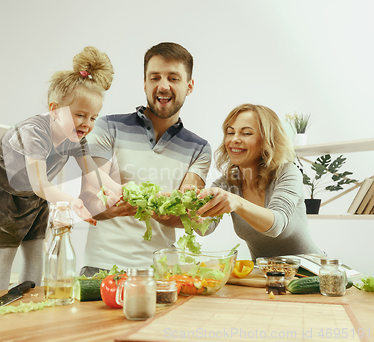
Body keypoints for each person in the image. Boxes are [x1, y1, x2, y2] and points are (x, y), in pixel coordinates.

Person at [0, 46, 121, 290]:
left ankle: (30, 297)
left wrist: (120, 190)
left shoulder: (76, 137)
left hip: (35, 194)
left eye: (93, 118)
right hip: (3, 189)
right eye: (80, 115)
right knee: (5, 250)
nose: (87, 124)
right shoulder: (33, 132)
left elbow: (94, 173)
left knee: (36, 246)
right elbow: (41, 184)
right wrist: (73, 202)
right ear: (54, 110)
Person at [79, 42, 212, 277]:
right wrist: (113, 207)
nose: (163, 86)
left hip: (161, 271)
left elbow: (185, 212)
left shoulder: (199, 148)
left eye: (173, 78)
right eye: (155, 77)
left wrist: (162, 210)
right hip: (102, 268)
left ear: (189, 86)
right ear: (145, 83)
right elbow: (91, 198)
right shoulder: (107, 127)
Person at [194, 103, 323, 260]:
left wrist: (236, 202)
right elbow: (205, 228)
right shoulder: (226, 184)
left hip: (310, 272)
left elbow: (276, 225)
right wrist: (191, 209)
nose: (234, 139)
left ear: (267, 140)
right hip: (264, 275)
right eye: (230, 132)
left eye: (246, 133)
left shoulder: (287, 173)